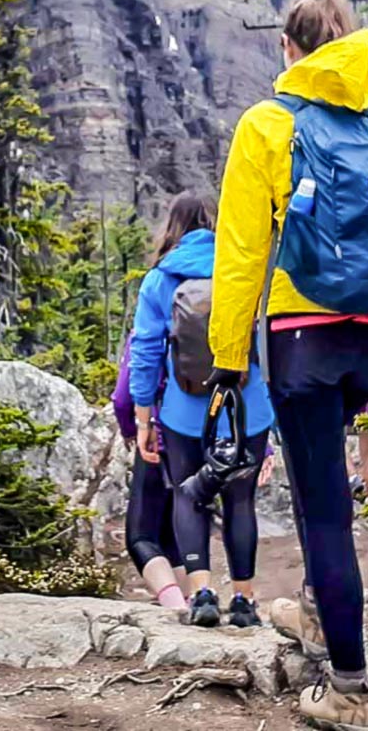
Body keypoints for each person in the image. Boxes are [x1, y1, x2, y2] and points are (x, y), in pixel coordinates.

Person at [208, 0, 368, 730]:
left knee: (324, 506)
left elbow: (241, 253)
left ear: (289, 48)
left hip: (304, 335)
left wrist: (227, 358)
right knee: (325, 487)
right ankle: (316, 612)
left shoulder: (268, 123)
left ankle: (349, 687)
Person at [129, 193, 276, 628]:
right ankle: (245, 600)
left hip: (183, 411)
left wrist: (143, 417)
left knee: (188, 498)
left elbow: (145, 350)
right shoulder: (243, 270)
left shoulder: (161, 278)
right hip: (246, 408)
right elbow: (267, 346)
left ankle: (202, 594)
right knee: (240, 500)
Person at [112, 337, 189, 610]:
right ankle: (192, 600)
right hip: (206, 436)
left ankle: (176, 608)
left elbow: (123, 397)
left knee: (141, 536)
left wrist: (131, 430)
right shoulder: (214, 306)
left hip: (161, 435)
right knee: (170, 532)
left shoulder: (152, 321)